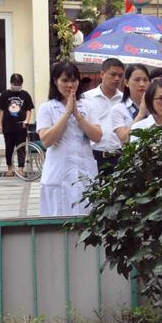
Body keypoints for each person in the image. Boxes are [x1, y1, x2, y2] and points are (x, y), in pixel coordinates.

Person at [37, 61, 102, 216]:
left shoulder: (88, 106)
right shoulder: (47, 108)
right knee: (57, 219)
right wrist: (66, 114)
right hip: (58, 174)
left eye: (74, 80)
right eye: (65, 80)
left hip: (84, 171)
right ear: (55, 81)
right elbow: (46, 140)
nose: (70, 85)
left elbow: (97, 136)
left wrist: (77, 115)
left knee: (87, 218)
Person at [81, 58, 126, 176]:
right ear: (102, 74)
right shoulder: (86, 98)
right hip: (93, 154)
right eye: (113, 74)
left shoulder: (125, 100)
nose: (117, 78)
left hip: (120, 156)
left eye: (120, 75)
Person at [0, 73, 34, 176]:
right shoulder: (5, 94)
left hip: (21, 126)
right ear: (11, 83)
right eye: (15, 84)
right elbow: (2, 110)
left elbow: (29, 109)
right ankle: (10, 168)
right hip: (8, 126)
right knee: (9, 148)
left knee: (21, 148)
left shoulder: (25, 94)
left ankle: (21, 169)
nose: (17, 85)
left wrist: (27, 120)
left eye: (19, 84)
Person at [112, 64, 152, 144]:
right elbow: (124, 139)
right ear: (126, 82)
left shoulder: (156, 106)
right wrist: (141, 115)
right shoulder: (118, 109)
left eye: (145, 80)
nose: (142, 84)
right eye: (137, 80)